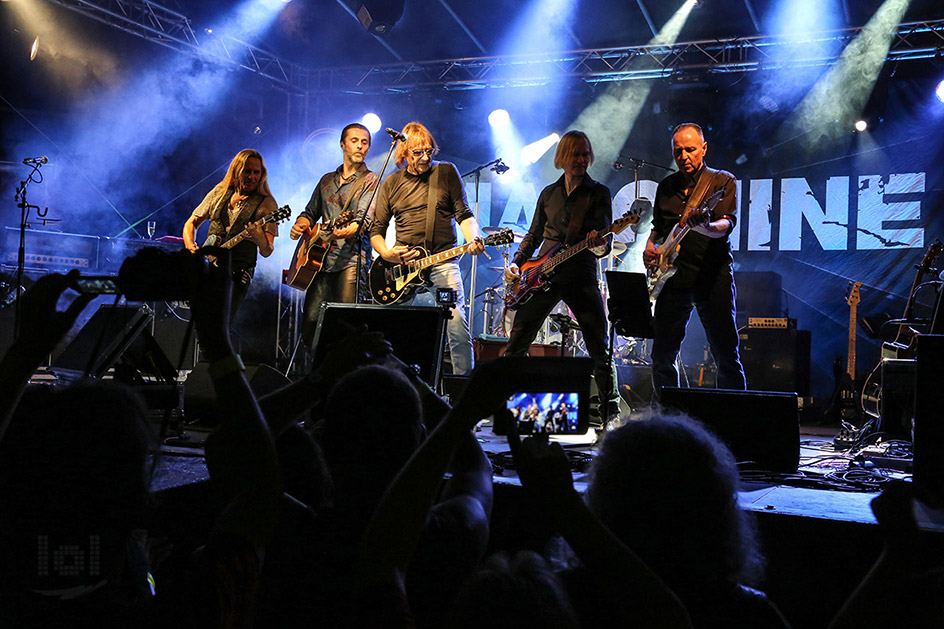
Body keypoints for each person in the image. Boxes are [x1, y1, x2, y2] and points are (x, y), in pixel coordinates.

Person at [503, 130, 618, 420]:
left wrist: (599, 242)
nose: (580, 160)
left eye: (584, 154)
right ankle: (506, 405)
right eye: (574, 154)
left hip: (580, 275)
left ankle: (611, 412)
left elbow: (605, 242)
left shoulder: (598, 193)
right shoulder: (548, 193)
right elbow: (533, 235)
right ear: (562, 158)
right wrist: (518, 263)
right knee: (517, 342)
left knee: (598, 347)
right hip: (540, 275)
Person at [369, 121, 484, 375]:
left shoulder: (446, 173)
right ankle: (387, 381)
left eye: (428, 151)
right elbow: (375, 231)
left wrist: (473, 238)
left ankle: (462, 390)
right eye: (417, 152)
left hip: (442, 261)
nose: (424, 157)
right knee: (385, 328)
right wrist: (387, 254)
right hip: (401, 267)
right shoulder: (391, 183)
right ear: (403, 153)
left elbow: (464, 214)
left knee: (456, 321)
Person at [643, 123, 745, 398]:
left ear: (704, 148)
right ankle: (669, 418)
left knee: (725, 353)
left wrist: (705, 227)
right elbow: (658, 226)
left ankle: (734, 419)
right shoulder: (666, 187)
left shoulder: (722, 181)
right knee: (662, 354)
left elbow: (727, 222)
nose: (684, 156)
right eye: (678, 152)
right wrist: (650, 246)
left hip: (713, 276)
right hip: (674, 278)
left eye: (690, 150)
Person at [289, 123, 379, 348]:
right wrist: (301, 225)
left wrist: (343, 231)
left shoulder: (370, 180)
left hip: (350, 260)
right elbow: (310, 212)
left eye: (365, 142)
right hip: (319, 262)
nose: (360, 146)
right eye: (355, 141)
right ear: (342, 144)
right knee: (310, 323)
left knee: (346, 323)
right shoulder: (326, 180)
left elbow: (363, 221)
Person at [183, 148, 279, 317]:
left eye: (256, 172)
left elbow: (267, 250)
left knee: (219, 324)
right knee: (202, 324)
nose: (252, 177)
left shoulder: (267, 204)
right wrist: (191, 247)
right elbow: (191, 223)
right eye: (247, 171)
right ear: (236, 171)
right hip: (208, 271)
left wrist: (259, 239)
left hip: (237, 275)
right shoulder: (219, 193)